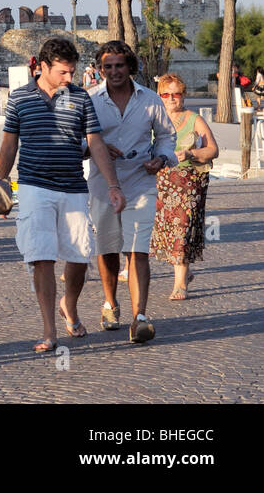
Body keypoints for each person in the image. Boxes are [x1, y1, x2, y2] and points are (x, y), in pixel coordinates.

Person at [0, 37, 123, 353]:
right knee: (41, 257)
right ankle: (49, 329)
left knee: (79, 255)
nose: (70, 78)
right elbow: (10, 144)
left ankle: (69, 304)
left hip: (73, 187)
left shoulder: (80, 98)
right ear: (43, 66)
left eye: (72, 72)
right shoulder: (19, 99)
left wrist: (113, 185)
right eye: (63, 72)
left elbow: (95, 143)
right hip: (33, 185)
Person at [86, 40, 176, 344]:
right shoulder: (90, 101)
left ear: (130, 67)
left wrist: (161, 159)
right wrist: (95, 148)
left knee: (138, 248)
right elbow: (77, 143)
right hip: (102, 183)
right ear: (100, 69)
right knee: (108, 248)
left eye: (119, 66)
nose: (114, 72)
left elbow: (166, 137)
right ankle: (110, 302)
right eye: (108, 66)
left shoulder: (150, 100)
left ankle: (140, 316)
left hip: (141, 180)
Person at [152, 73, 219, 300]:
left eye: (176, 94)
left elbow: (213, 150)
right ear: (159, 96)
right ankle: (185, 272)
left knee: (183, 227)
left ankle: (180, 282)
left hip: (190, 182)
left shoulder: (194, 119)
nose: (171, 98)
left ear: (184, 95)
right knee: (165, 231)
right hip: (162, 183)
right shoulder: (154, 119)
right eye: (166, 94)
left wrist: (191, 153)